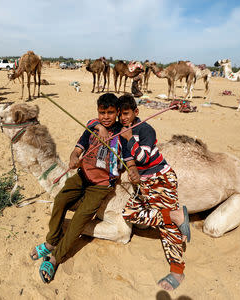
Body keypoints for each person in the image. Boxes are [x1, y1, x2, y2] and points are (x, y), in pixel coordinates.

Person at [30, 93, 140, 283]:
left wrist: (132, 169)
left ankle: (56, 256)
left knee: (80, 218)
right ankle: (51, 241)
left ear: (117, 113)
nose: (105, 117)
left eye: (110, 113)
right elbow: (78, 148)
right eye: (102, 112)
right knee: (60, 200)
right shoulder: (92, 127)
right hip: (82, 176)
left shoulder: (122, 133)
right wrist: (74, 157)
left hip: (101, 185)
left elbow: (129, 158)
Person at [88, 94, 190, 291]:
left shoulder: (145, 129)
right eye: (121, 115)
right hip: (144, 183)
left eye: (127, 114)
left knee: (167, 229)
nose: (123, 118)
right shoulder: (120, 127)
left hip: (160, 178)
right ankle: (173, 215)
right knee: (129, 213)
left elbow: (143, 157)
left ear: (136, 112)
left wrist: (128, 139)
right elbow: (95, 121)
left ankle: (177, 270)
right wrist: (99, 126)